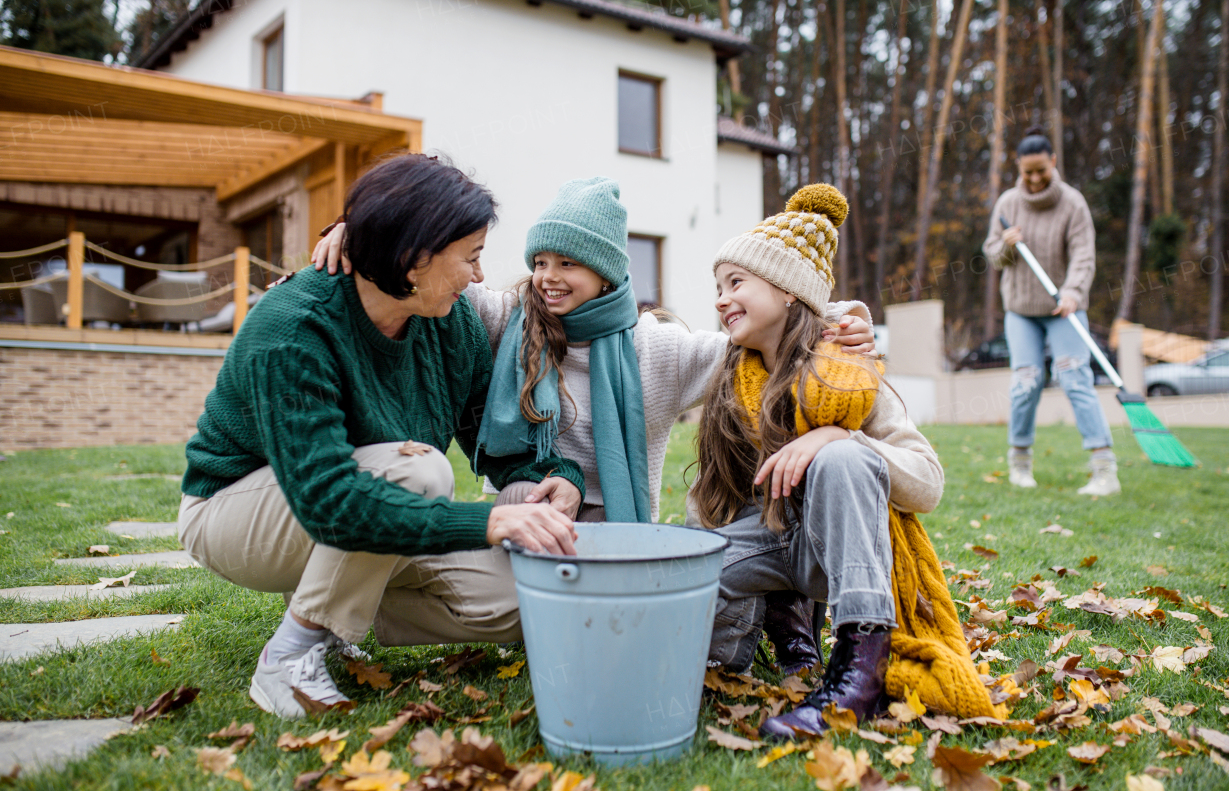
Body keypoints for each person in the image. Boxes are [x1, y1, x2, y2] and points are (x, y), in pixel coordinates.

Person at [312, 176, 877, 672]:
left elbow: (762, 327)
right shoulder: (507, 319)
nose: (547, 279)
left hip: (620, 533)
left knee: (615, 641)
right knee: (507, 601)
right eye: (539, 262)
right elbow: (433, 277)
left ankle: (769, 618)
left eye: (567, 264)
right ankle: (344, 620)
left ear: (605, 271)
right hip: (528, 511)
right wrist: (358, 234)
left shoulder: (657, 349)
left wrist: (846, 320)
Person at [178, 154, 583, 719]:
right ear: (413, 259)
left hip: (357, 509)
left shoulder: (450, 323)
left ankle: (333, 605)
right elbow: (329, 500)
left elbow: (492, 440)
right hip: (237, 512)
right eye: (472, 257)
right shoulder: (295, 327)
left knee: (518, 603)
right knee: (420, 471)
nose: (480, 276)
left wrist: (558, 479)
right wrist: (488, 521)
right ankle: (289, 656)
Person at [690, 184, 1003, 739]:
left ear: (787, 292)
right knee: (685, 578)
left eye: (735, 282)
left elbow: (927, 483)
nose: (720, 298)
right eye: (717, 286)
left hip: (838, 550)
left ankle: (862, 668)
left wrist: (837, 436)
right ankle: (765, 631)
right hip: (769, 544)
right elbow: (711, 498)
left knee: (840, 462)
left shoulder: (848, 371)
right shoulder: (729, 377)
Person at [982, 126, 1119, 496]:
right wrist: (1006, 246)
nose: (1035, 178)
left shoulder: (1073, 203)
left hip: (1064, 308)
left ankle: (1104, 469)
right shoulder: (1008, 204)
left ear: (1053, 162)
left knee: (1076, 378)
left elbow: (1084, 255)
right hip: (1021, 311)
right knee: (1026, 382)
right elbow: (992, 253)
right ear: (1019, 168)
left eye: (1041, 169)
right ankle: (1020, 463)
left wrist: (1073, 292)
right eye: (1028, 172)